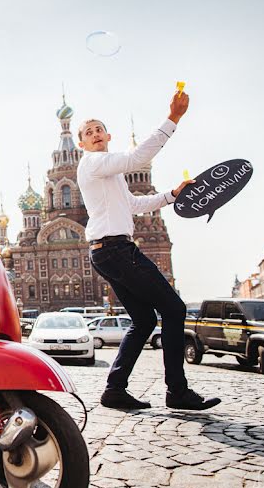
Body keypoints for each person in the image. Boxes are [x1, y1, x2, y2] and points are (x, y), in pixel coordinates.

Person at [76, 89, 221, 412]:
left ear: (107, 135)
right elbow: (137, 158)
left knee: (142, 320)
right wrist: (174, 118)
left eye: (99, 129)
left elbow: (134, 204)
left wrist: (172, 194)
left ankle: (115, 389)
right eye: (88, 132)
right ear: (81, 145)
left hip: (106, 251)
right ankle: (177, 392)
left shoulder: (109, 175)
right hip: (115, 249)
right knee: (173, 309)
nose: (95, 134)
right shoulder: (94, 163)